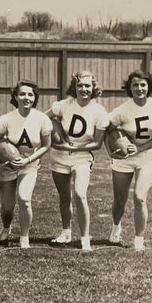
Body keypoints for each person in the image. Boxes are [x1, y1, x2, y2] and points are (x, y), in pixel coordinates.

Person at [46, 70, 109, 252]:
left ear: (93, 87)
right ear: (74, 87)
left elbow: (97, 144)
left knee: (80, 194)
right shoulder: (65, 105)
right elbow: (43, 118)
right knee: (64, 197)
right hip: (60, 155)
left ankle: (84, 238)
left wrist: (73, 148)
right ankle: (66, 233)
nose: (83, 89)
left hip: (82, 156)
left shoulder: (98, 111)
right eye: (80, 85)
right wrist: (54, 137)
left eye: (87, 85)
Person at [107, 69, 152, 251]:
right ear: (130, 88)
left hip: (147, 156)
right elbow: (106, 129)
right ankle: (116, 227)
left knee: (139, 197)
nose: (139, 88)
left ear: (149, 86)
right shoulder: (122, 110)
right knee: (120, 199)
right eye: (135, 85)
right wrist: (111, 151)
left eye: (143, 84)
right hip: (125, 158)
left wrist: (141, 148)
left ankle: (138, 240)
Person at [0, 80, 53, 249]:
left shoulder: (42, 119)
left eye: (30, 94)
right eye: (22, 94)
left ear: (35, 98)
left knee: (25, 199)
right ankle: (6, 228)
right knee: (7, 207)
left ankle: (24, 236)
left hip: (29, 164)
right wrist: (5, 155)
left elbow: (46, 146)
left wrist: (28, 160)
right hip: (7, 165)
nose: (26, 97)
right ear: (15, 96)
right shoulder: (6, 119)